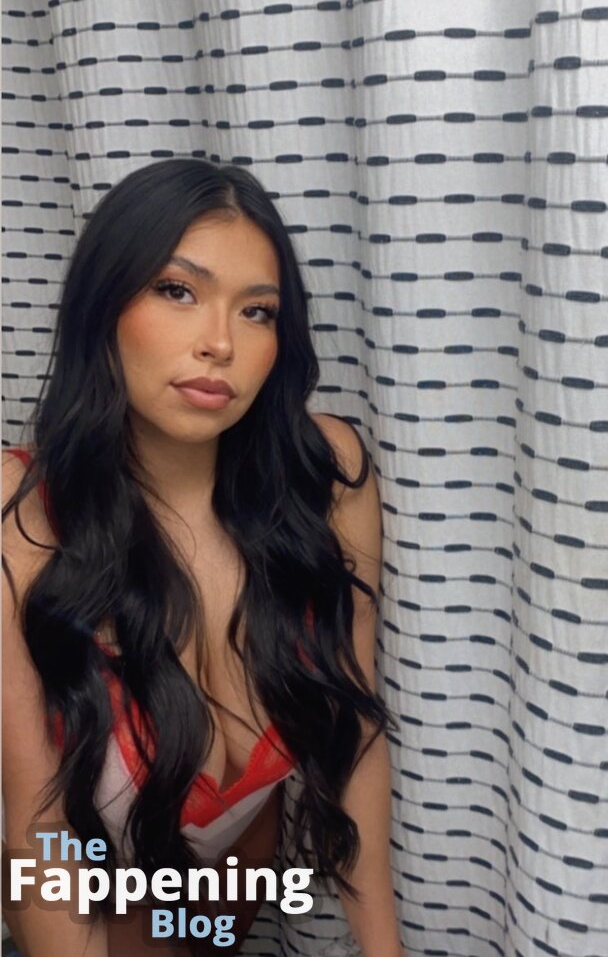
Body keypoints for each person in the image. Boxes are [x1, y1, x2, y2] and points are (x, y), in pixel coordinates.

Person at [2, 159, 404, 956]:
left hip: (223, 893)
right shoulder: (20, 513)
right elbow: (37, 831)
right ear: (102, 304)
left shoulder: (325, 477)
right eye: (177, 290)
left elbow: (354, 738)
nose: (221, 343)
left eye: (258, 311)